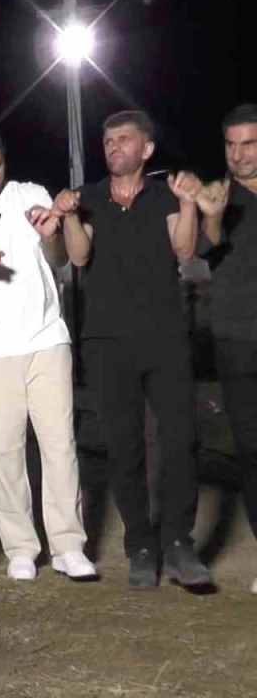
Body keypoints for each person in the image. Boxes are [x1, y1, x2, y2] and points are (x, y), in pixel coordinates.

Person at [55, 110, 212, 589]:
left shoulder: (165, 195)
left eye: (124, 139)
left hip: (164, 336)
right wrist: (68, 215)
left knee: (180, 439)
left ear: (146, 149)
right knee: (123, 448)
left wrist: (189, 204)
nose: (113, 146)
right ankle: (140, 545)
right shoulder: (89, 197)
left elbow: (185, 249)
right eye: (108, 140)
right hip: (106, 341)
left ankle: (179, 543)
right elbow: (78, 255)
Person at [0, 126, 96, 581]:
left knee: (60, 445)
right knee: (5, 451)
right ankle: (20, 549)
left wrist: (51, 232)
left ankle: (68, 546)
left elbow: (58, 257)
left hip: (47, 339)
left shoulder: (30, 194)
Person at [196, 103, 257, 592]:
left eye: (249, 143)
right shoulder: (218, 197)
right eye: (230, 144)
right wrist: (212, 217)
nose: (238, 154)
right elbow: (208, 245)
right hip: (238, 339)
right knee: (251, 450)